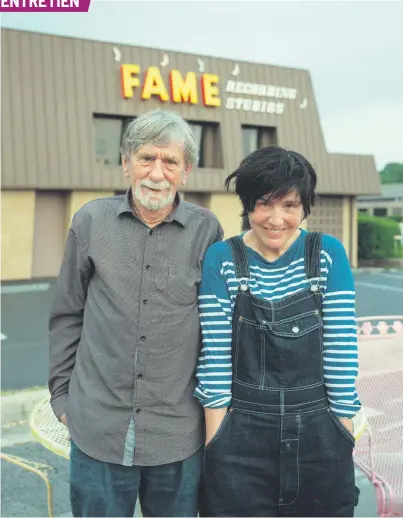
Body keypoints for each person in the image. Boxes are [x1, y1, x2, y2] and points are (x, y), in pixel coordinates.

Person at [48, 109, 223, 518]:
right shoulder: (90, 222)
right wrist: (61, 393)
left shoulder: (207, 231)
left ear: (187, 172)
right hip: (97, 431)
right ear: (126, 164)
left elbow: (219, 328)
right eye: (146, 158)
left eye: (170, 161)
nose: (156, 173)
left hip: (178, 434)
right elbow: (67, 313)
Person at [195, 146, 360, 517]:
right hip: (240, 436)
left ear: (304, 207)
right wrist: (215, 446)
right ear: (247, 205)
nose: (276, 218)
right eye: (264, 204)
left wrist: (342, 436)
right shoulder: (222, 258)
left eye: (289, 205)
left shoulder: (327, 254)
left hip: (320, 432)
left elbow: (341, 353)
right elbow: (215, 359)